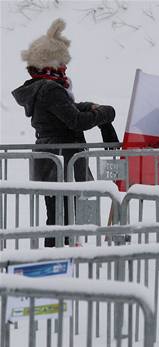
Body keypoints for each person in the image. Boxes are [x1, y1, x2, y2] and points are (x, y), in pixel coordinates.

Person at [12, 18, 119, 247]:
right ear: (50, 63)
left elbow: (67, 111)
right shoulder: (51, 89)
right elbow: (75, 120)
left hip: (54, 161)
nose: (65, 68)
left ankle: (59, 256)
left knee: (59, 217)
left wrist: (91, 106)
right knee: (62, 219)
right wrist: (105, 114)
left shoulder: (41, 88)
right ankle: (57, 260)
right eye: (62, 62)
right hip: (60, 161)